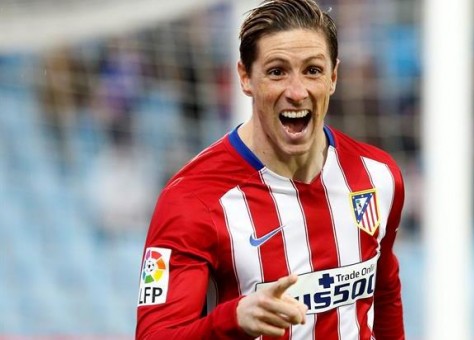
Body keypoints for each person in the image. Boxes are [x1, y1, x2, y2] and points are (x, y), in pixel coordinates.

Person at [135, 0, 405, 338]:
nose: (296, 92)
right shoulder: (192, 200)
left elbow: (384, 292)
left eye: (313, 70)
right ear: (245, 77)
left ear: (333, 77)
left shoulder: (378, 177)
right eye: (277, 71)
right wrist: (232, 319)